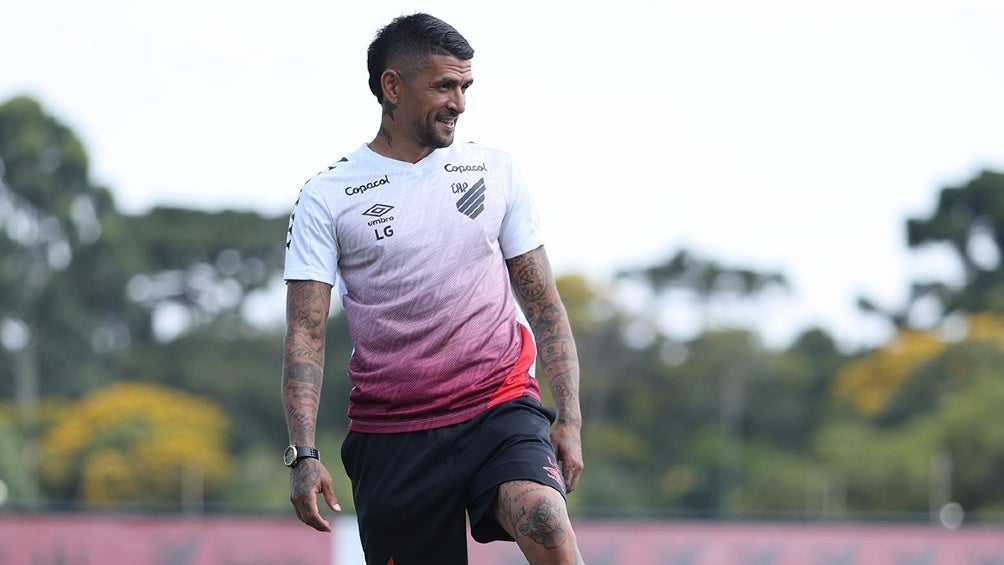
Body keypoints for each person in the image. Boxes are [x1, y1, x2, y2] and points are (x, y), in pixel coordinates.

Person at [281, 12, 584, 564]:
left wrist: (570, 416)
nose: (460, 102)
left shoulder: (496, 172)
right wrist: (303, 454)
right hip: (392, 436)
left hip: (498, 406)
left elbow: (544, 305)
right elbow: (304, 334)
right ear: (392, 86)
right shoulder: (327, 196)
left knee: (544, 515)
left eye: (465, 86)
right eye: (445, 85)